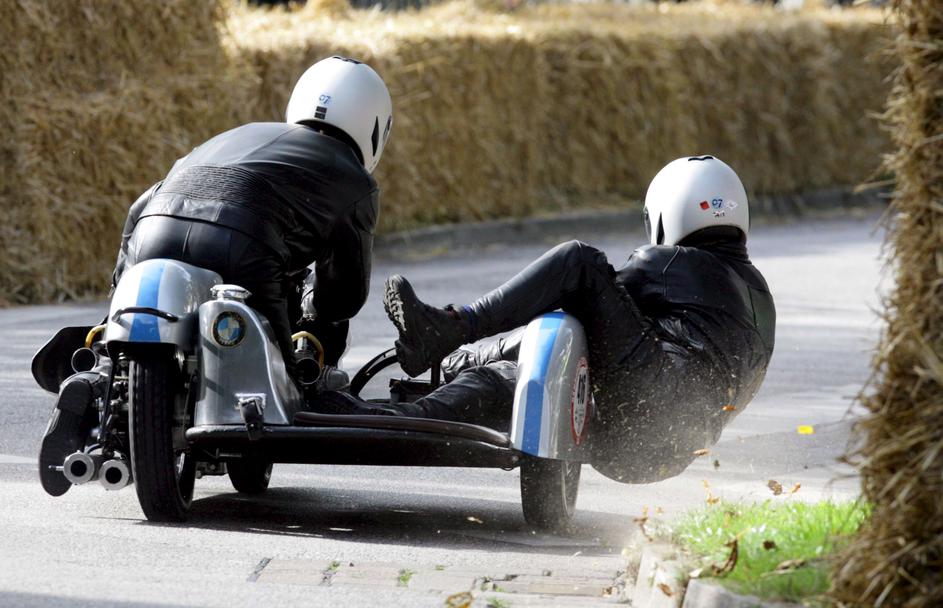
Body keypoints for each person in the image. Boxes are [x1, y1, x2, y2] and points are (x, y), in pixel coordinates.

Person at [39, 56, 394, 496]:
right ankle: (281, 394)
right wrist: (312, 322)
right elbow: (343, 296)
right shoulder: (354, 178)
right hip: (244, 245)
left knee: (117, 346)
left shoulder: (236, 134)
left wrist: (118, 293)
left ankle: (97, 376)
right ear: (375, 127)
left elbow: (139, 205)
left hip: (154, 228)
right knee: (284, 389)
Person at [318, 156, 776, 483]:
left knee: (579, 264)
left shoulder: (673, 262)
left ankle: (451, 329)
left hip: (648, 408)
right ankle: (402, 413)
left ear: (665, 214)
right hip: (666, 449)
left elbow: (579, 300)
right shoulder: (758, 297)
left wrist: (466, 346)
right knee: (506, 380)